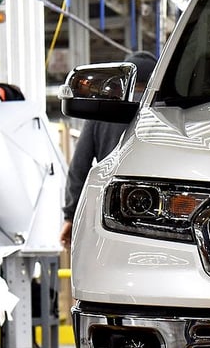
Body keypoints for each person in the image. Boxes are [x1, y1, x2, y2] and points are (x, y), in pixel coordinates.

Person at [59, 51, 157, 249]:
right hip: (158, 217)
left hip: (111, 218)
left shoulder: (101, 112)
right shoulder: (164, 111)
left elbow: (79, 168)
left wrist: (71, 216)